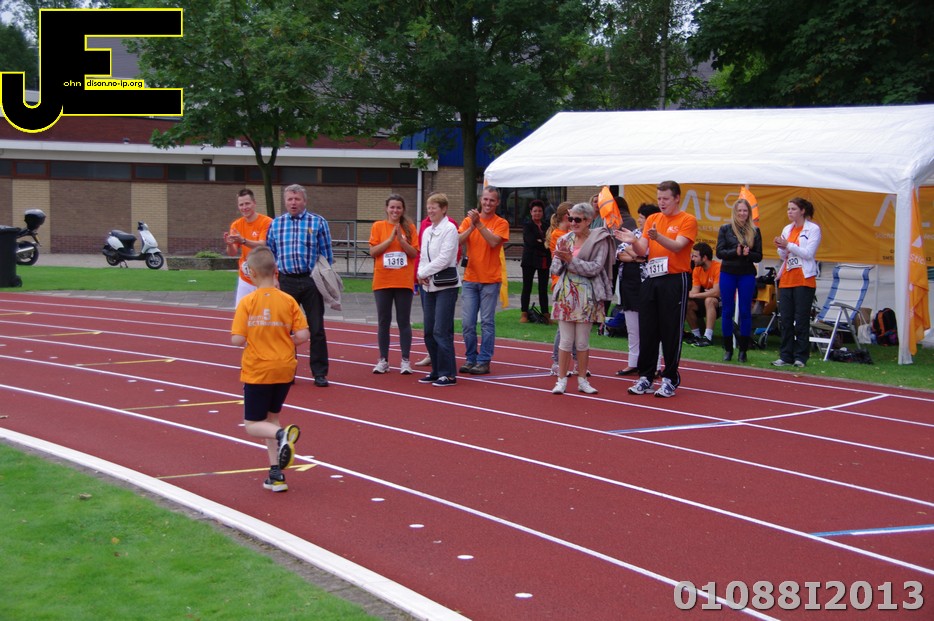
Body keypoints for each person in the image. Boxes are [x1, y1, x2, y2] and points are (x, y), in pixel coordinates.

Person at [230, 246, 310, 492]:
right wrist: (286, 339)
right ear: (275, 271)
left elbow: (237, 339)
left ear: (252, 273)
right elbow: (303, 335)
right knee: (271, 418)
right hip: (284, 368)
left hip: (258, 369)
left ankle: (282, 435)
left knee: (252, 425)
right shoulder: (288, 300)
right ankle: (276, 474)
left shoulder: (247, 302)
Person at [615, 180, 697, 398]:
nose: (662, 202)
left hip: (675, 278)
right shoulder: (653, 219)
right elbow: (642, 250)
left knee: (670, 330)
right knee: (648, 328)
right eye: (659, 198)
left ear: (677, 198)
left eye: (666, 199)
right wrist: (633, 241)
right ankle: (646, 376)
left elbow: (678, 246)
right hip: (652, 277)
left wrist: (657, 236)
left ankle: (670, 378)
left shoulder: (687, 220)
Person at [265, 184, 334, 388]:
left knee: (317, 328)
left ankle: (319, 373)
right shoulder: (276, 224)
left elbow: (327, 255)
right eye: (290, 199)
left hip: (311, 280)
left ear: (304, 201)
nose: (293, 203)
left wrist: (323, 277)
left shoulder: (318, 222)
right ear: (285, 201)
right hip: (286, 280)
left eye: (297, 199)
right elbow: (270, 254)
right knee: (285, 329)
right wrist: (274, 277)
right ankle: (288, 370)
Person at [549, 201, 616, 395]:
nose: (573, 223)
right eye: (570, 219)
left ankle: (582, 380)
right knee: (565, 341)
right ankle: (561, 380)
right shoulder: (564, 239)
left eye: (577, 220)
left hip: (588, 296)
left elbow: (595, 268)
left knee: (582, 342)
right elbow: (555, 269)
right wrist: (562, 259)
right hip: (566, 294)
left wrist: (571, 260)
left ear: (588, 220)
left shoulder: (599, 240)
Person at [458, 186, 509, 375]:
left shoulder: (501, 222)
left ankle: (484, 360)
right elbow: (458, 240)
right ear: (481, 200)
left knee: (487, 322)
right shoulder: (468, 221)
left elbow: (494, 242)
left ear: (497, 203)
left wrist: (479, 225)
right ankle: (471, 358)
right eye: (485, 199)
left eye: (492, 200)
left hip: (490, 279)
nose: (488, 203)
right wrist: (472, 226)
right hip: (470, 278)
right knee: (467, 323)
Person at [369, 194, 419, 374]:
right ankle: (383, 360)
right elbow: (373, 252)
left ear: (403, 210)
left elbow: (414, 253)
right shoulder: (378, 226)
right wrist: (390, 240)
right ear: (386, 208)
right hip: (383, 281)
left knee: (403, 320)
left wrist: (401, 240)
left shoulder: (410, 228)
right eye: (392, 207)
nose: (395, 210)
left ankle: (405, 360)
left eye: (398, 207)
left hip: (403, 281)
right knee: (384, 321)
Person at [416, 193, 461, 387]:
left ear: (444, 209)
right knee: (429, 331)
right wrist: (421, 273)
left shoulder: (450, 229)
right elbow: (423, 256)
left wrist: (424, 272)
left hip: (446, 286)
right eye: (428, 207)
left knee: (441, 330)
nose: (430, 211)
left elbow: (445, 258)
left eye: (434, 207)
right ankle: (435, 370)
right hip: (428, 286)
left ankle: (448, 373)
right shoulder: (427, 231)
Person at [773, 197, 822, 368]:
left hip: (804, 279)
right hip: (787, 278)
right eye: (788, 209)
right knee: (786, 319)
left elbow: (808, 253)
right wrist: (781, 247)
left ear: (802, 211)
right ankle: (785, 355)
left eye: (793, 209)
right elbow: (783, 255)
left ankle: (801, 356)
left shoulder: (813, 229)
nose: (790, 212)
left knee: (801, 319)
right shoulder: (787, 229)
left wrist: (788, 245)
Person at [716, 197, 763, 362]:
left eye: (745, 211)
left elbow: (759, 256)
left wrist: (748, 254)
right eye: (740, 211)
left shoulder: (755, 231)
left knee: (745, 311)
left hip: (746, 274)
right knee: (727, 311)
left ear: (749, 213)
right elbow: (719, 252)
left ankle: (743, 350)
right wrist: (734, 252)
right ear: (734, 212)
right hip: (728, 272)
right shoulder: (725, 229)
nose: (742, 213)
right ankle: (728, 349)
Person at [613, 201, 654, 376]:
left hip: (647, 284)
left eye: (643, 217)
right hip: (628, 284)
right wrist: (636, 256)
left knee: (650, 327)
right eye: (640, 217)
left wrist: (635, 252)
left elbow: (645, 253)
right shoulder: (634, 233)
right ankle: (633, 362)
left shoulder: (654, 236)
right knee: (632, 326)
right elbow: (620, 252)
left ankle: (652, 364)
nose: (639, 220)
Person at [223, 188, 272, 305]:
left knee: (263, 312)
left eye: (247, 203)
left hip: (264, 278)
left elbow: (262, 245)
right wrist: (229, 244)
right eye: (241, 205)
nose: (244, 207)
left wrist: (243, 241)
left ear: (254, 203)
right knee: (241, 312)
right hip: (245, 278)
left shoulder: (267, 222)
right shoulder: (236, 225)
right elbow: (232, 252)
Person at [546, 202, 575, 375]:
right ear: (567, 216)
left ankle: (576, 361)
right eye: (574, 217)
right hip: (561, 282)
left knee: (576, 323)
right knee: (563, 325)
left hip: (573, 282)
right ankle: (556, 362)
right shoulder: (559, 235)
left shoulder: (570, 233)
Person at [520, 199, 551, 323]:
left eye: (540, 211)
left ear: (543, 212)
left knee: (543, 288)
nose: (537, 213)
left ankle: (545, 314)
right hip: (529, 260)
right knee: (527, 287)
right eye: (535, 211)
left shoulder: (546, 225)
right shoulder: (527, 225)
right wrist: (543, 243)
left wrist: (541, 241)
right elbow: (531, 241)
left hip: (544, 260)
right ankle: (524, 313)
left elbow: (550, 241)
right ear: (531, 212)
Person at [685, 242, 721, 347]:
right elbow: (695, 291)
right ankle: (696, 335)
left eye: (695, 256)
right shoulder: (697, 269)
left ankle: (708, 337)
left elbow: (716, 292)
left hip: (723, 302)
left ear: (704, 258)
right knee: (687, 303)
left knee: (709, 300)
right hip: (707, 300)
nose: (692, 259)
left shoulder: (718, 267)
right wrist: (685, 294)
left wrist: (694, 295)